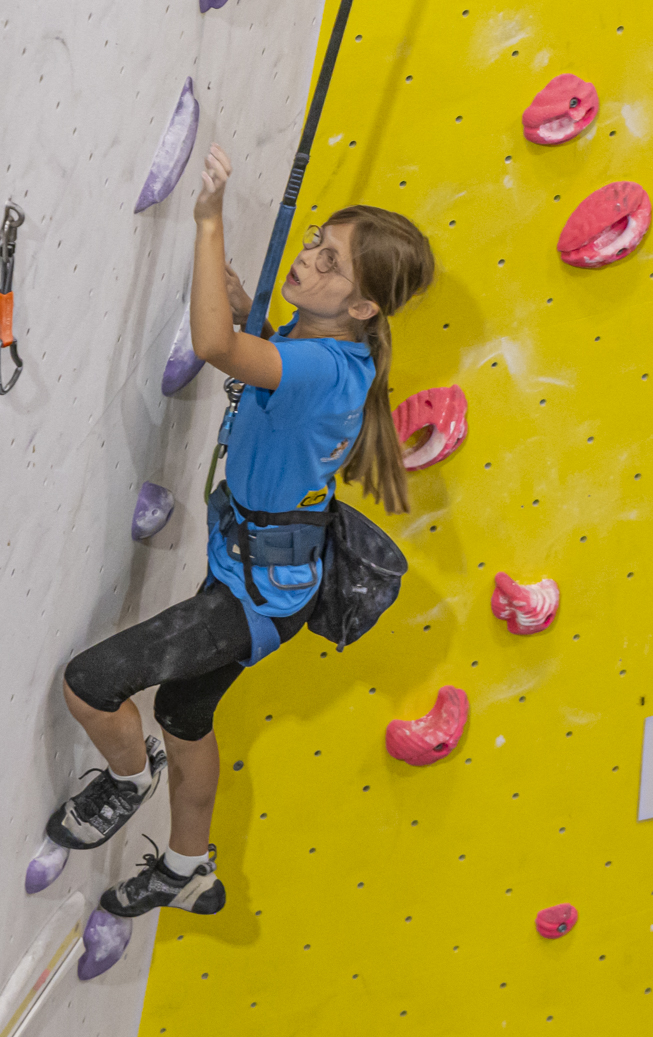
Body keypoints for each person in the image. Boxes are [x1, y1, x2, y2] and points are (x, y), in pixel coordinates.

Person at [46, 144, 435, 919]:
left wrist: (208, 218)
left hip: (252, 595)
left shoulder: (322, 369)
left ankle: (127, 780)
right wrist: (239, 295)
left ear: (363, 308)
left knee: (90, 684)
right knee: (183, 716)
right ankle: (189, 870)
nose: (309, 260)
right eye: (317, 242)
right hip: (260, 571)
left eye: (331, 264)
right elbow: (254, 341)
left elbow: (218, 347)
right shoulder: (327, 344)